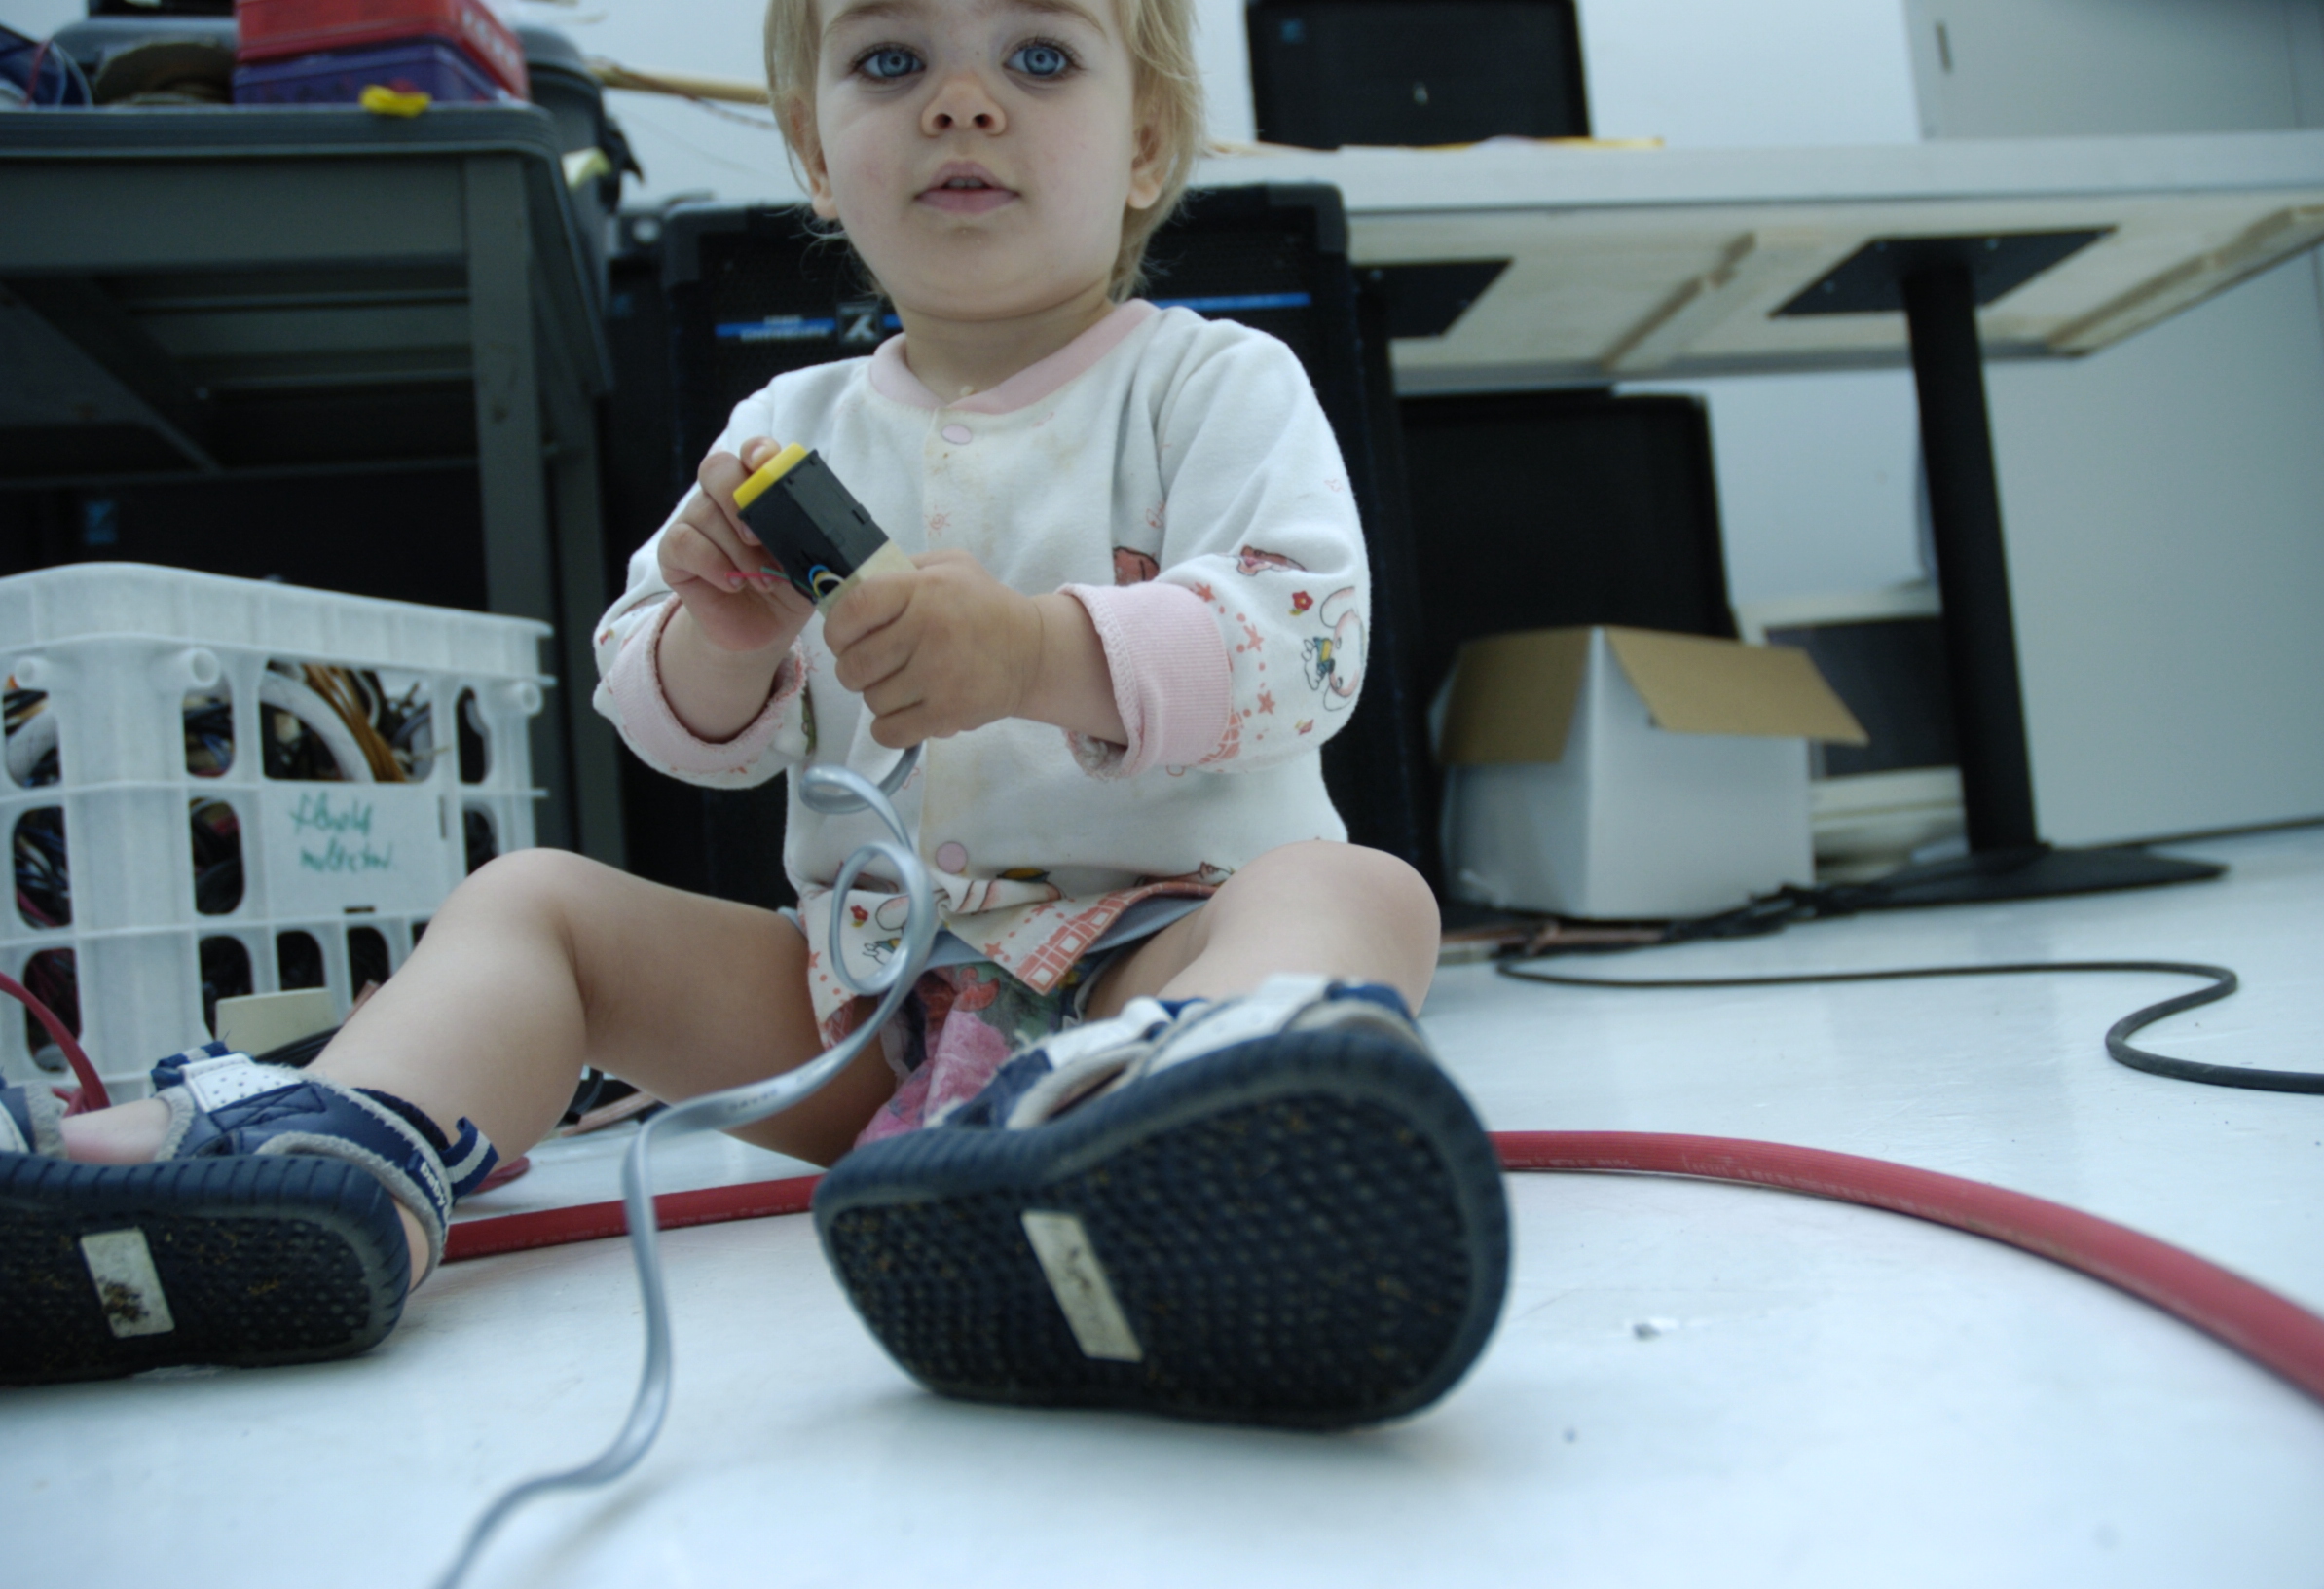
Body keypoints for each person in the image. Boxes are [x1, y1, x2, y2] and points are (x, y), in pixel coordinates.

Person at [2, 0, 1507, 1424]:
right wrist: (724, 645)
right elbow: (659, 713)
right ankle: (334, 1164)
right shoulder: (786, 430)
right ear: (814, 151)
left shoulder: (1215, 383)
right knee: (537, 904)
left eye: (1041, 57)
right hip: (856, 1008)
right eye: (890, 60)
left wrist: (1038, 654)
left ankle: (1181, 1126)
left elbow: (1309, 642)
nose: (962, 101)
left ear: (1146, 147)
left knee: (1361, 894)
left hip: (1153, 953)